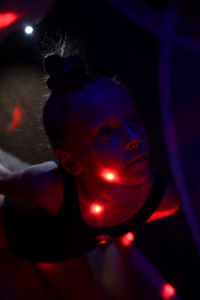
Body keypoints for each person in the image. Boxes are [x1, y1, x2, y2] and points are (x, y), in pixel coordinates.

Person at [0, 54, 180, 262]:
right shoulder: (48, 186)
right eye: (106, 131)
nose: (134, 139)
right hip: (13, 236)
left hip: (68, 258)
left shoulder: (164, 201)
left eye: (132, 119)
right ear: (70, 161)